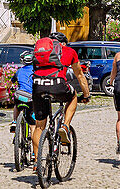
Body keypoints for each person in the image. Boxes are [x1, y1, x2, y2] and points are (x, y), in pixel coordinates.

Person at [30, 32, 90, 160]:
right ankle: (65, 126)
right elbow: (79, 75)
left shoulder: (41, 51)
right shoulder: (69, 51)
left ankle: (36, 161)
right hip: (58, 84)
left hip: (38, 85)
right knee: (73, 95)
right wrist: (86, 94)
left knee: (39, 125)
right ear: (63, 43)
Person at [9, 53, 34, 132]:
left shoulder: (19, 71)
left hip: (19, 94)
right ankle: (32, 133)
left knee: (16, 105)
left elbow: (11, 82)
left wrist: (9, 89)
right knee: (32, 120)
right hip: (30, 96)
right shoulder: (35, 70)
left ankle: (15, 121)